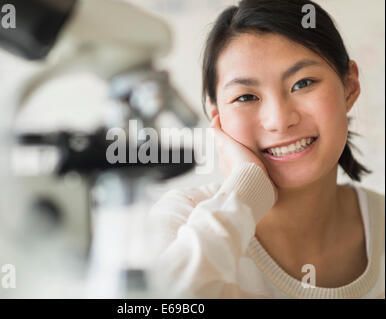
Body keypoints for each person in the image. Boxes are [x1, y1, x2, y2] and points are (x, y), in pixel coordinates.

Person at [149, 0, 385, 298]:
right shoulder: (183, 221)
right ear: (216, 117)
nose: (279, 120)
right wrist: (243, 194)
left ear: (349, 86)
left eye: (303, 83)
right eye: (246, 97)